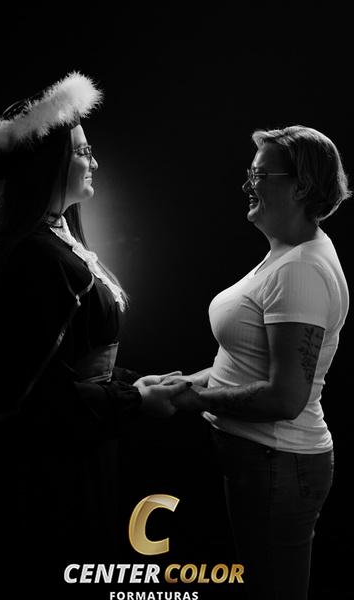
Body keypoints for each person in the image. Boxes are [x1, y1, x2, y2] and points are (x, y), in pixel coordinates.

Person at [0, 71, 193, 598]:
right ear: (48, 164)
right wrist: (135, 400)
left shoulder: (58, 243)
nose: (94, 161)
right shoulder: (35, 258)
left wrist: (135, 382)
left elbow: (79, 361)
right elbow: (37, 397)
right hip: (50, 470)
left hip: (84, 445)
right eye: (84, 151)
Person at [136, 125, 351, 599]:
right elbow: (247, 361)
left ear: (300, 187)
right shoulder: (287, 256)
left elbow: (285, 397)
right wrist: (183, 381)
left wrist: (193, 400)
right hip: (266, 465)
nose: (247, 185)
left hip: (278, 464)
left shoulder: (301, 270)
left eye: (259, 175)